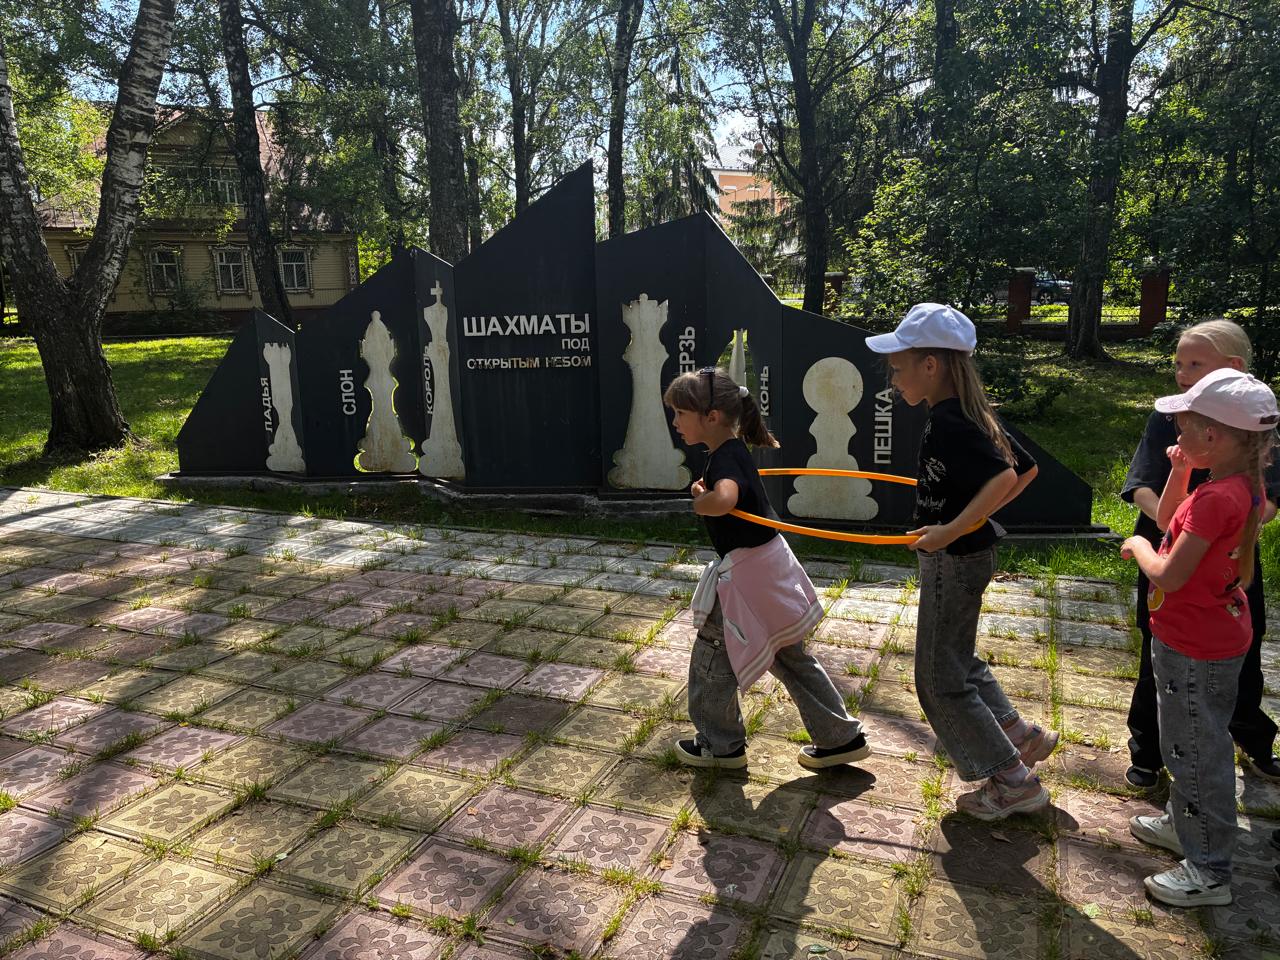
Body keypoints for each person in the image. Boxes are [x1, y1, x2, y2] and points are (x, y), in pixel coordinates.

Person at [865, 303, 1047, 821]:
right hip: (964, 554)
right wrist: (972, 518)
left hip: (954, 559)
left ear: (931, 365)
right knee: (957, 660)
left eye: (898, 368)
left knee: (938, 679)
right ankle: (1018, 734)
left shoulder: (951, 419)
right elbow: (1025, 470)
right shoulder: (967, 411)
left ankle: (1013, 782)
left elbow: (1007, 477)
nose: (893, 379)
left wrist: (955, 527)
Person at [1121, 367, 1279, 907]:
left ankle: (1209, 869)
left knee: (1196, 752)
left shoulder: (1218, 500)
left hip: (1194, 647)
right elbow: (1169, 517)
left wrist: (1139, 549)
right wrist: (1181, 470)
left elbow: (1168, 573)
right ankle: (1184, 824)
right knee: (1186, 742)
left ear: (1213, 435)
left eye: (1184, 427)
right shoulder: (1235, 487)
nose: (1176, 434)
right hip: (1199, 637)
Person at [665, 366, 869, 770]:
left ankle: (720, 745)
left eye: (680, 413)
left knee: (712, 652)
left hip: (747, 578)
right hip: (768, 567)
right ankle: (840, 737)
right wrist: (708, 492)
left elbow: (725, 499)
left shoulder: (724, 459)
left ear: (711, 417)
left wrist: (701, 501)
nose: (675, 421)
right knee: (789, 654)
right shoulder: (733, 451)